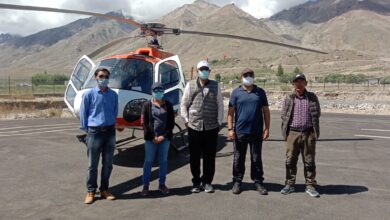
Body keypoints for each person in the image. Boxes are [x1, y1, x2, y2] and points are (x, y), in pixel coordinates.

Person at [180, 60, 224, 193]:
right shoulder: (190, 85)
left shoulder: (216, 86)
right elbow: (184, 104)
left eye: (207, 69)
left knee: (209, 157)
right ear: (198, 71)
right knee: (194, 156)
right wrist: (186, 121)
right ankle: (196, 182)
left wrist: (219, 122)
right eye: (202, 69)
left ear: (209, 72)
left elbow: (220, 105)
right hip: (194, 127)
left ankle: (207, 182)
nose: (204, 71)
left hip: (211, 127)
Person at [227, 68, 270, 195]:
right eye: (246, 75)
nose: (249, 77)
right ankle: (237, 181)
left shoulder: (260, 92)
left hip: (256, 132)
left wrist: (267, 128)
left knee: (256, 158)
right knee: (238, 158)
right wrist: (230, 129)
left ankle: (258, 182)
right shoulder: (236, 92)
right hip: (240, 131)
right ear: (241, 77)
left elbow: (266, 111)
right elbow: (230, 113)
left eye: (251, 75)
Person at [79, 68, 118, 204]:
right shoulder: (89, 94)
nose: (104, 78)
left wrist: (114, 124)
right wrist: (87, 130)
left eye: (106, 76)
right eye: (101, 76)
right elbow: (83, 114)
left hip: (110, 132)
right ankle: (91, 191)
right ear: (95, 77)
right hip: (94, 132)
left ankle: (104, 190)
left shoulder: (113, 95)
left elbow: (114, 111)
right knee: (92, 165)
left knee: (108, 164)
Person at [280, 73, 321, 198]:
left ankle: (309, 185)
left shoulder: (312, 97)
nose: (299, 84)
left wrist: (313, 132)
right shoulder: (289, 98)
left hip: (308, 133)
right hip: (293, 133)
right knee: (290, 160)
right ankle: (290, 184)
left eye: (301, 81)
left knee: (309, 161)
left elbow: (317, 114)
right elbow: (284, 115)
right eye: (296, 82)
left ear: (306, 83)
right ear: (293, 84)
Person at [140, 82, 175, 196]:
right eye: (156, 90)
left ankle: (162, 184)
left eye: (161, 90)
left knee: (163, 162)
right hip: (151, 139)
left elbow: (171, 123)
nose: (159, 92)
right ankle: (145, 185)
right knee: (148, 162)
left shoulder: (168, 105)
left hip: (164, 139)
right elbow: (144, 123)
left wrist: (163, 136)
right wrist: (152, 137)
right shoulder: (146, 105)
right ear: (152, 92)